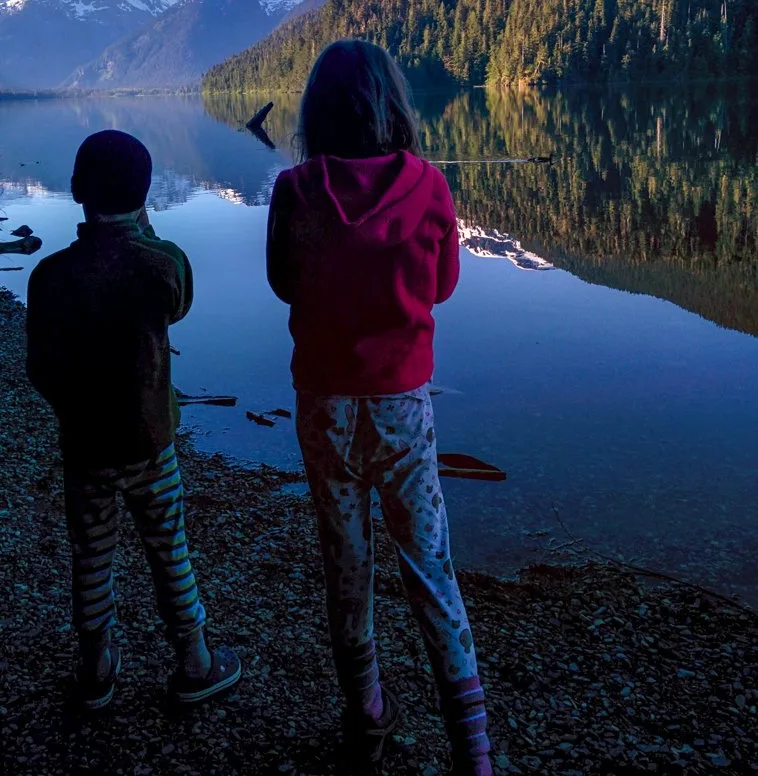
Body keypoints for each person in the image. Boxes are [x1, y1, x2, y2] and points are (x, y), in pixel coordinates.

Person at [266, 40, 492, 775]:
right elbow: (444, 287)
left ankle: (365, 716)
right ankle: (473, 748)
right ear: (390, 105)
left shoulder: (294, 189)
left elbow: (281, 285)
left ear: (316, 110)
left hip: (323, 406)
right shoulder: (428, 185)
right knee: (429, 564)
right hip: (401, 408)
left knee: (346, 558)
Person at [26, 130, 241, 710]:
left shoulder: (48, 278)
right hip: (152, 444)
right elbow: (181, 302)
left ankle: (96, 667)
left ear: (74, 191)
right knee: (169, 547)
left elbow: (40, 370)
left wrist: (74, 408)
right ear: (148, 197)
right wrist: (143, 234)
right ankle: (195, 660)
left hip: (85, 448)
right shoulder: (161, 265)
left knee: (91, 553)